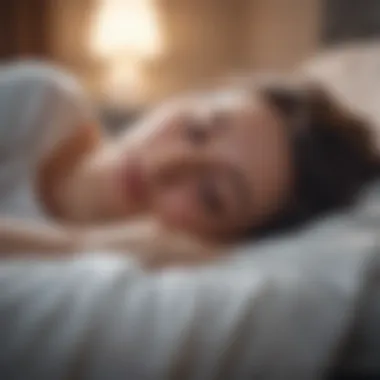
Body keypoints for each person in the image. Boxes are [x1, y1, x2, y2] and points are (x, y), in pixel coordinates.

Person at [0, 61, 378, 267]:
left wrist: (80, 248)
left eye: (210, 195)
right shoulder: (40, 102)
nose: (167, 164)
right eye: (196, 129)